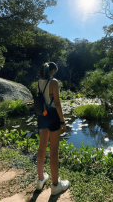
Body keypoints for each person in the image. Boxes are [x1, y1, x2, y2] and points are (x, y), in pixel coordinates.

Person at [35, 62, 70, 195]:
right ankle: (56, 185)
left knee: (42, 147)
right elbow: (57, 103)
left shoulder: (39, 82)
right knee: (54, 150)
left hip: (42, 117)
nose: (54, 73)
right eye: (54, 71)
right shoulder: (54, 82)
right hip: (53, 116)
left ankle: (40, 180)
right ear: (52, 70)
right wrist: (62, 120)